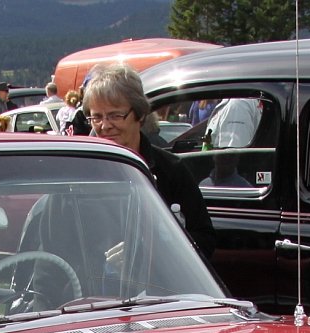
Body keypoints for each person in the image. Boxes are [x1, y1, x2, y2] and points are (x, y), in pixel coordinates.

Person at [81, 64, 215, 260]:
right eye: (97, 117)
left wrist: (150, 251)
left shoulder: (170, 170)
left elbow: (205, 240)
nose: (105, 126)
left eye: (115, 115)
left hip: (159, 287)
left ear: (140, 114)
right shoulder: (78, 175)